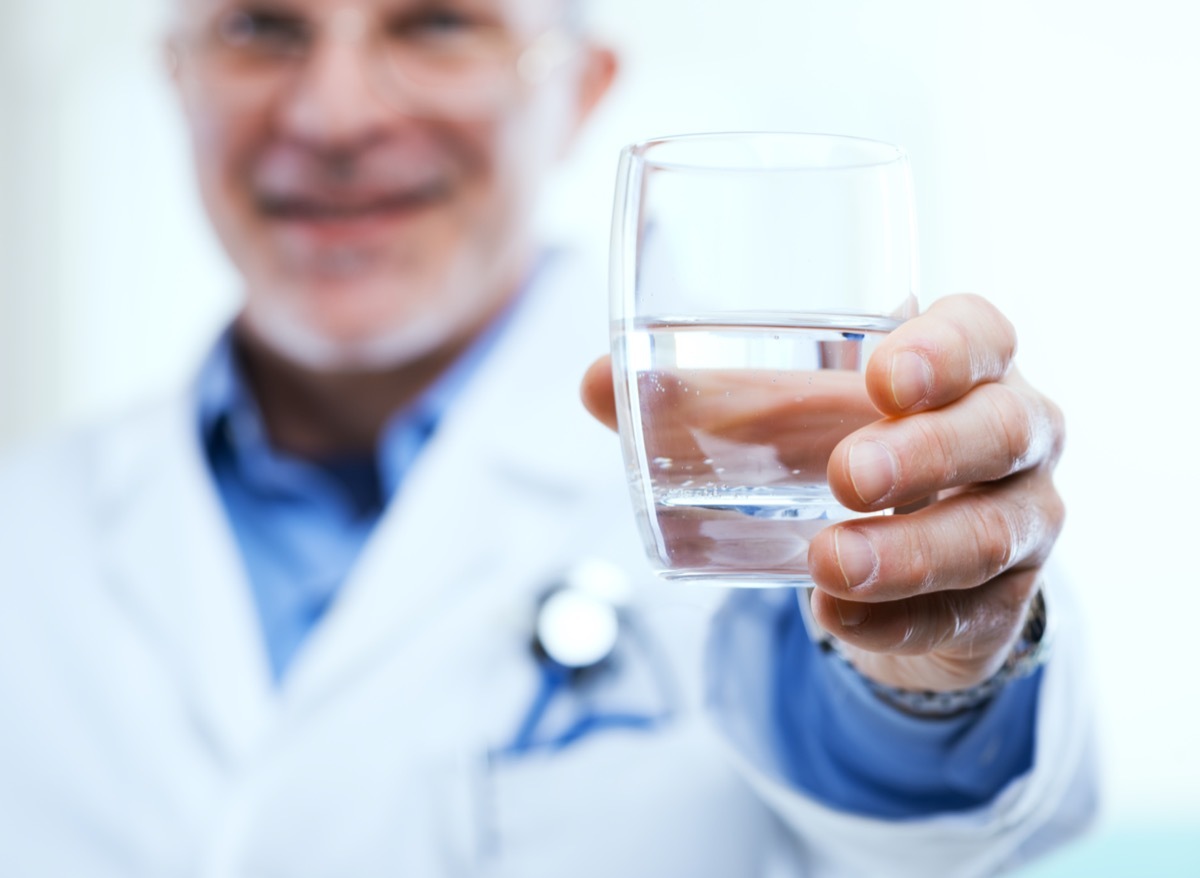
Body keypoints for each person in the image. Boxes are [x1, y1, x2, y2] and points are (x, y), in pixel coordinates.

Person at [0, 0, 1095, 875]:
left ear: (582, 92)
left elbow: (931, 816)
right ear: (177, 75)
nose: (332, 116)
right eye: (260, 29)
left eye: (434, 24)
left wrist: (937, 667)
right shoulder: (31, 527)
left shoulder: (783, 487)